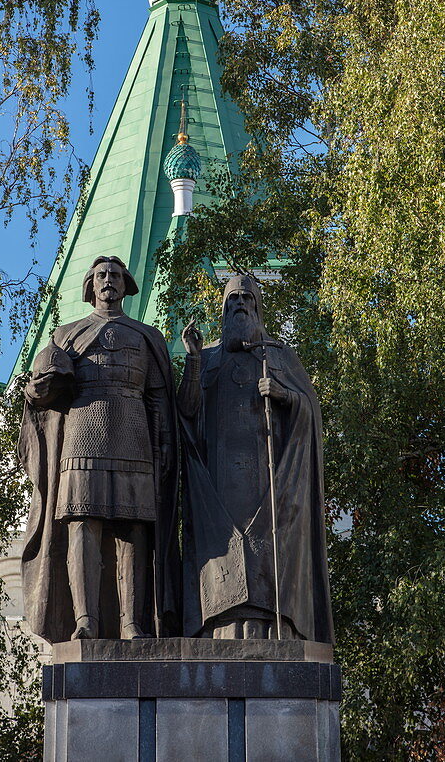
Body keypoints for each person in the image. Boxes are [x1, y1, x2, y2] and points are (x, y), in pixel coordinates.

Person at [18, 256, 180, 642]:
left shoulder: (146, 337)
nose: (109, 281)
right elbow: (39, 394)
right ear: (91, 287)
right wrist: (40, 384)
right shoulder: (66, 336)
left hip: (133, 433)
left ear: (126, 285)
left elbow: (158, 397)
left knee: (134, 529)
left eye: (116, 276)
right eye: (101, 276)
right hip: (81, 434)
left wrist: (167, 442)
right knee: (82, 526)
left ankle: (131, 622)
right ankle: (85, 619)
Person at [177, 274, 334, 643]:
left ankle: (275, 626)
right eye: (232, 301)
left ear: (258, 306)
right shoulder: (209, 357)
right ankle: (218, 628)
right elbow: (185, 411)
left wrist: (284, 395)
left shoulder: (279, 355)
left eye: (246, 299)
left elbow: (310, 411)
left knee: (267, 549)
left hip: (270, 481)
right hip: (218, 484)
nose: (239, 305)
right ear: (223, 310)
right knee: (222, 551)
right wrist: (193, 361)